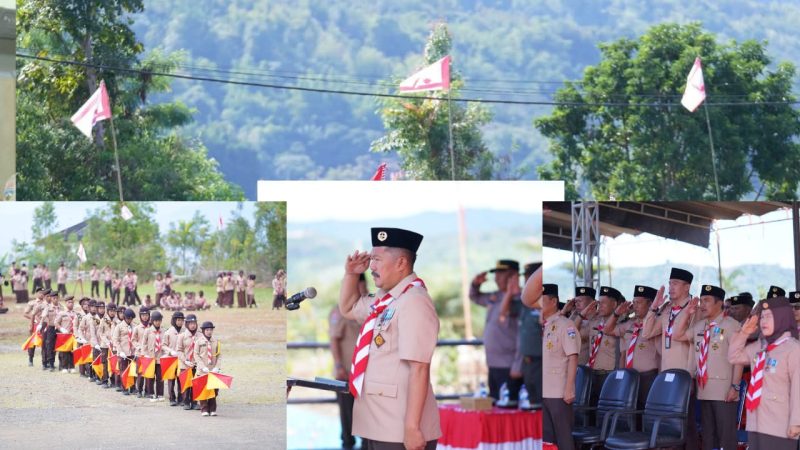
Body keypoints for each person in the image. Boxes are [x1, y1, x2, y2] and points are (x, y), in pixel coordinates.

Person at [338, 227, 440, 450]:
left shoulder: (414, 301)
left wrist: (412, 428)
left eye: (376, 259)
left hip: (399, 428)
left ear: (401, 263)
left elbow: (419, 368)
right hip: (379, 422)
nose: (371, 266)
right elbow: (348, 308)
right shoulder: (387, 299)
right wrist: (351, 274)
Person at [672, 284, 743, 450]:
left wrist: (735, 386)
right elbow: (677, 335)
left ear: (719, 303)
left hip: (724, 391)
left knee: (725, 438)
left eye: (707, 301)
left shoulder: (731, 326)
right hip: (703, 390)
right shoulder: (700, 326)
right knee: (708, 436)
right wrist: (686, 313)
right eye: (701, 301)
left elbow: (738, 359)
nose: (702, 305)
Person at [729, 296, 800, 450]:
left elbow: (798, 389)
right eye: (762, 317)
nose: (763, 321)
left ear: (782, 318)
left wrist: (796, 422)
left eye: (769, 316)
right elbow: (734, 357)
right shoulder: (760, 346)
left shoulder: (794, 349)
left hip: (779, 425)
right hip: (755, 422)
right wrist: (743, 333)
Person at [641, 267, 700, 450]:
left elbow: (697, 344)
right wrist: (653, 308)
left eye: (675, 283)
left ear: (686, 287)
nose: (670, 287)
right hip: (666, 374)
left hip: (685, 374)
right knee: (668, 423)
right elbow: (647, 332)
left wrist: (691, 374)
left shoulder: (695, 311)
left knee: (686, 423)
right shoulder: (667, 310)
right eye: (669, 283)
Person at [469, 259, 522, 403]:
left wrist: (517, 365)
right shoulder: (495, 296)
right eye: (496, 274)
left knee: (509, 406)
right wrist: (476, 284)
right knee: (495, 403)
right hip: (492, 362)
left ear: (513, 276)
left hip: (510, 364)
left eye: (501, 274)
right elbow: (475, 297)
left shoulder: (522, 298)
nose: (496, 278)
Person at [607, 285, 660, 413]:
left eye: (639, 303)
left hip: (647, 377)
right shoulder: (630, 324)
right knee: (629, 412)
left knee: (645, 412)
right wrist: (616, 314)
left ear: (650, 304)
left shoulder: (657, 323)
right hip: (629, 377)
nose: (635, 306)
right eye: (634, 302)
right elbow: (607, 330)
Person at [573, 286, 624, 411]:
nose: (599, 306)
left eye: (604, 303)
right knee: (590, 412)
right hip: (592, 373)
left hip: (609, 374)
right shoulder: (594, 322)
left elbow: (623, 354)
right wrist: (581, 314)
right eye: (598, 303)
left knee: (606, 412)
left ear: (614, 304)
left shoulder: (621, 325)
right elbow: (572, 332)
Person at [541, 283, 579, 450]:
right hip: (543, 390)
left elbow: (573, 357)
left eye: (541, 300)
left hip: (558, 391)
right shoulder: (545, 326)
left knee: (563, 439)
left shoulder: (566, 325)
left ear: (553, 301)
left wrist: (569, 388)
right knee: (547, 439)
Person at [330, 273, 365, 449]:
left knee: (369, 415)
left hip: (368, 374)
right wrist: (338, 365)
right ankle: (348, 443)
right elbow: (334, 339)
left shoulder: (372, 306)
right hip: (346, 371)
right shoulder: (341, 310)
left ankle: (367, 444)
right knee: (347, 414)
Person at [517, 263, 543, 407]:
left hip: (542, 360)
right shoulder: (525, 301)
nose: (526, 282)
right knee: (532, 402)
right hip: (527, 359)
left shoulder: (545, 301)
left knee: (541, 402)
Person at [194, 321, 223, 417]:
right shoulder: (198, 342)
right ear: (203, 331)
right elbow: (196, 355)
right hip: (202, 371)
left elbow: (219, 356)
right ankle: (204, 409)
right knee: (203, 390)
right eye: (207, 330)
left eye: (211, 330)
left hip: (213, 370)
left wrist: (217, 367)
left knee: (213, 390)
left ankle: (213, 409)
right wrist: (202, 367)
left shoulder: (216, 342)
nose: (209, 332)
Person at [142, 310, 167, 402]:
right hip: (150, 357)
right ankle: (151, 393)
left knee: (160, 377)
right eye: (156, 320)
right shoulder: (148, 331)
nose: (157, 322)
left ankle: (160, 394)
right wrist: (145, 354)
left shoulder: (164, 331)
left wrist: (165, 355)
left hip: (160, 357)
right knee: (150, 376)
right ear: (152, 321)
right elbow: (144, 344)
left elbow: (165, 344)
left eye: (159, 320)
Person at [178, 313, 200, 410]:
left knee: (196, 384)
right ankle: (186, 402)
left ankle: (195, 402)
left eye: (194, 323)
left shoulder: (200, 335)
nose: (193, 325)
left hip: (196, 364)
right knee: (186, 384)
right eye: (190, 323)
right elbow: (179, 350)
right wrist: (185, 361)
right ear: (186, 324)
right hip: (185, 364)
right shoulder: (182, 336)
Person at [112, 308, 137, 395]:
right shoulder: (119, 326)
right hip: (123, 352)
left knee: (133, 370)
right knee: (124, 370)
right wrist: (120, 351)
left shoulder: (134, 326)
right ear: (125, 318)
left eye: (131, 318)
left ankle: (133, 387)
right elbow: (115, 340)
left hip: (132, 352)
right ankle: (125, 388)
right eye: (128, 318)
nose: (129, 320)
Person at [165, 311, 185, 406]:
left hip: (181, 359)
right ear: (174, 320)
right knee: (171, 379)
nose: (180, 322)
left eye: (181, 320)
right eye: (178, 320)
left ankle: (181, 398)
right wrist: (170, 351)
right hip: (171, 359)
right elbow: (163, 345)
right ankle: (172, 398)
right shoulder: (168, 332)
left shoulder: (185, 332)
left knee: (181, 379)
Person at [23, 288, 47, 367]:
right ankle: (30, 359)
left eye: (43, 293)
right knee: (32, 343)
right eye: (40, 292)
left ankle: (45, 361)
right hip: (35, 325)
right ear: (36, 293)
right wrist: (34, 319)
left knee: (45, 342)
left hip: (44, 324)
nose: (41, 294)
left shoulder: (46, 303)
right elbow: (25, 313)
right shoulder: (32, 303)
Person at [132, 307, 151, 397]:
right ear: (140, 316)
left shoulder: (151, 328)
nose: (145, 317)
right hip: (140, 354)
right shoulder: (137, 328)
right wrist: (139, 347)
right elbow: (133, 340)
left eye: (146, 315)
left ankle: (147, 391)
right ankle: (139, 390)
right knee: (140, 373)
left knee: (148, 373)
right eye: (143, 315)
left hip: (149, 354)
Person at [97, 302, 116, 388]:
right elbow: (101, 333)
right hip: (105, 345)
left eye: (114, 310)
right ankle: (104, 380)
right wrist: (107, 341)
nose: (112, 312)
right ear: (107, 311)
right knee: (104, 363)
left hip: (114, 345)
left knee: (113, 362)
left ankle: (113, 381)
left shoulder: (117, 320)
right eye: (110, 310)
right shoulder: (103, 320)